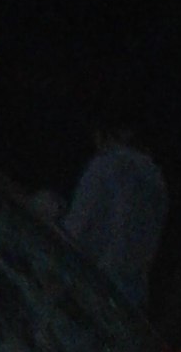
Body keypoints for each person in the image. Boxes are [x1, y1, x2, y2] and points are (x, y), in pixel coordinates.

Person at [63, 121, 168, 308]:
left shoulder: (107, 165)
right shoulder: (158, 184)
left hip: (90, 288)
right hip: (126, 300)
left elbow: (75, 229)